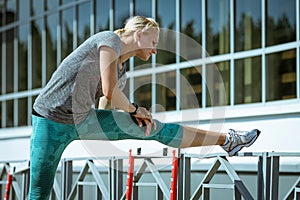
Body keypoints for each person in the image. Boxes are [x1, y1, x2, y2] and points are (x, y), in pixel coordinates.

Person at [28, 16, 260, 199]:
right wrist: (134, 109)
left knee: (155, 128)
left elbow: (106, 104)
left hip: (81, 120)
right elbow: (109, 91)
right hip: (49, 121)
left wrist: (135, 122)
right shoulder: (109, 40)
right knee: (39, 193)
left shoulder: (122, 74)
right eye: (153, 42)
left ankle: (228, 140)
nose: (155, 50)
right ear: (139, 34)